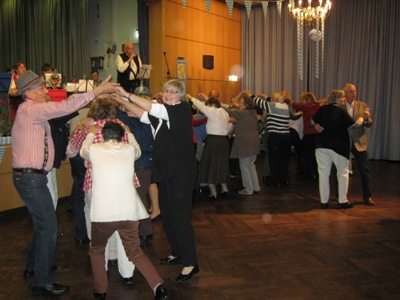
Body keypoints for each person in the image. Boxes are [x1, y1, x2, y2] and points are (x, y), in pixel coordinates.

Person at [11, 70, 117, 296]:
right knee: (48, 226)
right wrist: (97, 91)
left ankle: (34, 266)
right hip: (30, 178)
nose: (45, 90)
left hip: (31, 177)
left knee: (43, 225)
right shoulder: (30, 110)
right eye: (40, 88)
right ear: (28, 93)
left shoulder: (31, 112)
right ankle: (43, 281)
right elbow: (63, 107)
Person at [113, 79, 199, 282]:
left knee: (181, 217)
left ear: (181, 95)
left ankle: (191, 262)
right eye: (166, 91)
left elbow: (154, 109)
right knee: (168, 215)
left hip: (182, 173)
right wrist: (120, 100)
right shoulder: (163, 116)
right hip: (166, 172)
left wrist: (126, 94)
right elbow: (144, 115)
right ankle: (177, 252)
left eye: (173, 91)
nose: (169, 94)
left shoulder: (182, 110)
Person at [79, 121, 168, 300]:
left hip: (103, 214)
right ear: (122, 136)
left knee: (96, 250)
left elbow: (83, 151)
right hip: (128, 212)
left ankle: (101, 290)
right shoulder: (128, 150)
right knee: (135, 251)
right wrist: (131, 133)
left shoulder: (95, 149)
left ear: (103, 136)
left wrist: (90, 133)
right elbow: (138, 150)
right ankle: (158, 286)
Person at [312, 90, 366, 209]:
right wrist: (362, 117)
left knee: (323, 174)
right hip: (338, 146)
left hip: (321, 145)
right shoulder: (340, 112)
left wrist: (316, 126)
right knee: (342, 173)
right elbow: (354, 125)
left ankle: (324, 201)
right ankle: (342, 201)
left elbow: (313, 120)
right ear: (336, 99)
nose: (344, 99)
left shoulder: (322, 110)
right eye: (342, 97)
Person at [116, 86, 154, 247]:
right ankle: (143, 231)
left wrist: (116, 98)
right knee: (138, 199)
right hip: (138, 165)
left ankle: (145, 231)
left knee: (139, 199)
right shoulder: (137, 121)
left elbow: (144, 145)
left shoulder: (142, 122)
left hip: (142, 165)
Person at [246, 91, 292, 187]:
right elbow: (271, 101)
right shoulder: (285, 107)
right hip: (286, 136)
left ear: (275, 100)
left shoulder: (273, 106)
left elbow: (260, 102)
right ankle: (285, 179)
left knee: (273, 158)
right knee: (283, 159)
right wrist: (267, 97)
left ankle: (275, 180)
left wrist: (250, 95)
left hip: (275, 136)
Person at [188, 96, 230, 199]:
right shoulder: (225, 113)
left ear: (211, 105)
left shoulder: (213, 111)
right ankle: (225, 189)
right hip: (223, 141)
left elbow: (201, 106)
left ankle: (213, 192)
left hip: (213, 141)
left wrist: (191, 97)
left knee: (209, 165)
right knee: (221, 165)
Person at [340, 83, 375, 206]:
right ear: (345, 93)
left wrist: (366, 119)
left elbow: (369, 123)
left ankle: (367, 196)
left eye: (355, 91)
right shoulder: (340, 105)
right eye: (351, 91)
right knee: (340, 170)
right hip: (344, 141)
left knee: (364, 170)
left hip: (359, 142)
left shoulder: (362, 105)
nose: (354, 93)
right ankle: (340, 195)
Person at [224, 93, 261, 195]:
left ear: (245, 104)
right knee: (251, 165)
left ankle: (248, 189)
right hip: (254, 142)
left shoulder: (242, 113)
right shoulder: (253, 112)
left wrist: (217, 105)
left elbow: (228, 110)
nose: (239, 104)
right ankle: (256, 187)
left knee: (244, 166)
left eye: (241, 102)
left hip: (246, 143)